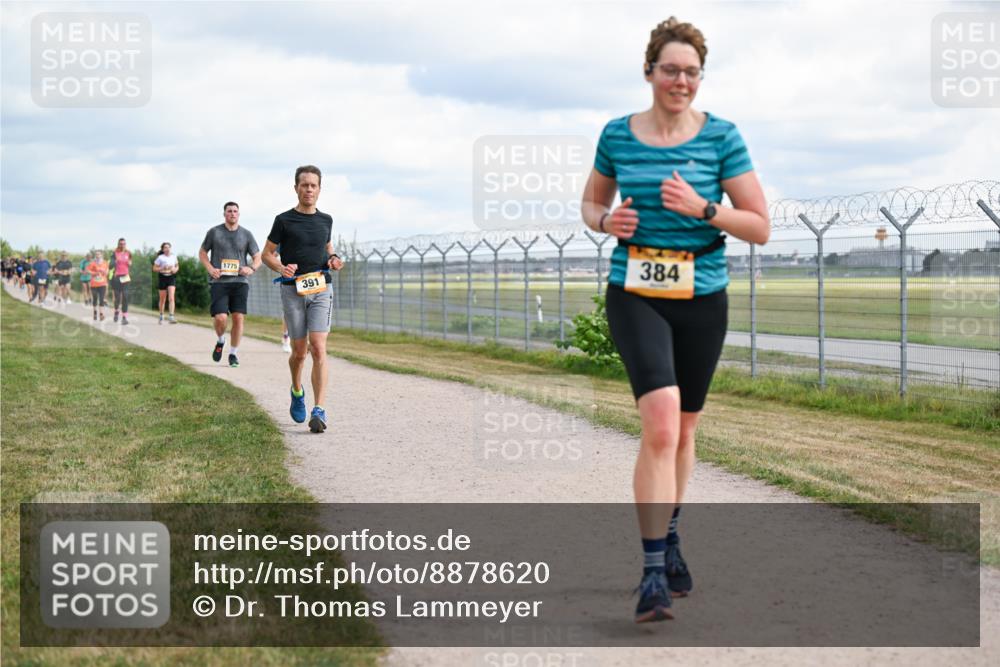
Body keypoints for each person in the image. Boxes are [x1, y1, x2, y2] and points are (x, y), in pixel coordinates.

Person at [581, 17, 769, 623]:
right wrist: (606, 222)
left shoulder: (722, 139)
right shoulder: (618, 134)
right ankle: (654, 572)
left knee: (685, 431)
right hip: (635, 289)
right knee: (661, 424)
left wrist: (706, 207)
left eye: (692, 71)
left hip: (703, 294)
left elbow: (760, 226)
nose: (681, 80)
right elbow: (591, 202)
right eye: (671, 69)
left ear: (699, 77)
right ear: (649, 71)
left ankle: (673, 533)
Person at [261, 165, 344, 433]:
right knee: (299, 353)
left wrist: (333, 259)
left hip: (321, 287)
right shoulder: (284, 220)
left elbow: (327, 248)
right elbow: (267, 254)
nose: (309, 189)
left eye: (313, 185)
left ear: (320, 189)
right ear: (296, 187)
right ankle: (297, 390)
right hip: (293, 290)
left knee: (318, 347)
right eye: (304, 185)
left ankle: (319, 409)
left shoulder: (326, 220)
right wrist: (280, 267)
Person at [199, 201, 262, 367]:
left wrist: (252, 268)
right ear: (224, 214)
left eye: (235, 211)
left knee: (238, 318)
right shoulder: (214, 232)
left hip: (240, 282)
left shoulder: (246, 234)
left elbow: (258, 256)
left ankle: (233, 354)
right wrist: (210, 268)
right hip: (219, 281)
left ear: (238, 214)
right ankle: (220, 340)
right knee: (220, 318)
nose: (232, 214)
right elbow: (203, 252)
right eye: (229, 211)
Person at [153, 242, 179, 324]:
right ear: (163, 249)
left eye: (168, 247)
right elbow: (154, 268)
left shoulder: (174, 256)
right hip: (162, 278)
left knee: (171, 297)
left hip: (171, 277)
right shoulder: (160, 258)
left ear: (170, 248)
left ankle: (171, 316)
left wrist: (175, 270)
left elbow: (177, 266)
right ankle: (161, 315)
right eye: (165, 248)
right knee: (162, 299)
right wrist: (162, 267)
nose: (167, 249)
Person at [110, 238, 132, 325]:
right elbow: (110, 265)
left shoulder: (128, 253)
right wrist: (113, 262)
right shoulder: (114, 253)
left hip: (125, 276)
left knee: (125, 297)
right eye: (121, 244)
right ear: (118, 244)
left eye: (124, 244)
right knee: (117, 297)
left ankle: (124, 317)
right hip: (117, 277)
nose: (122, 245)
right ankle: (116, 311)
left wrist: (130, 263)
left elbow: (130, 262)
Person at [87, 251, 110, 321]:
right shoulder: (92, 263)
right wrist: (95, 273)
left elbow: (107, 271)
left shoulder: (105, 263)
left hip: (102, 283)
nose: (97, 255)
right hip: (94, 284)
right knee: (95, 298)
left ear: (101, 255)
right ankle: (94, 312)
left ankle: (101, 314)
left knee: (101, 299)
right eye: (96, 254)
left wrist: (105, 272)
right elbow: (88, 271)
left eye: (99, 254)